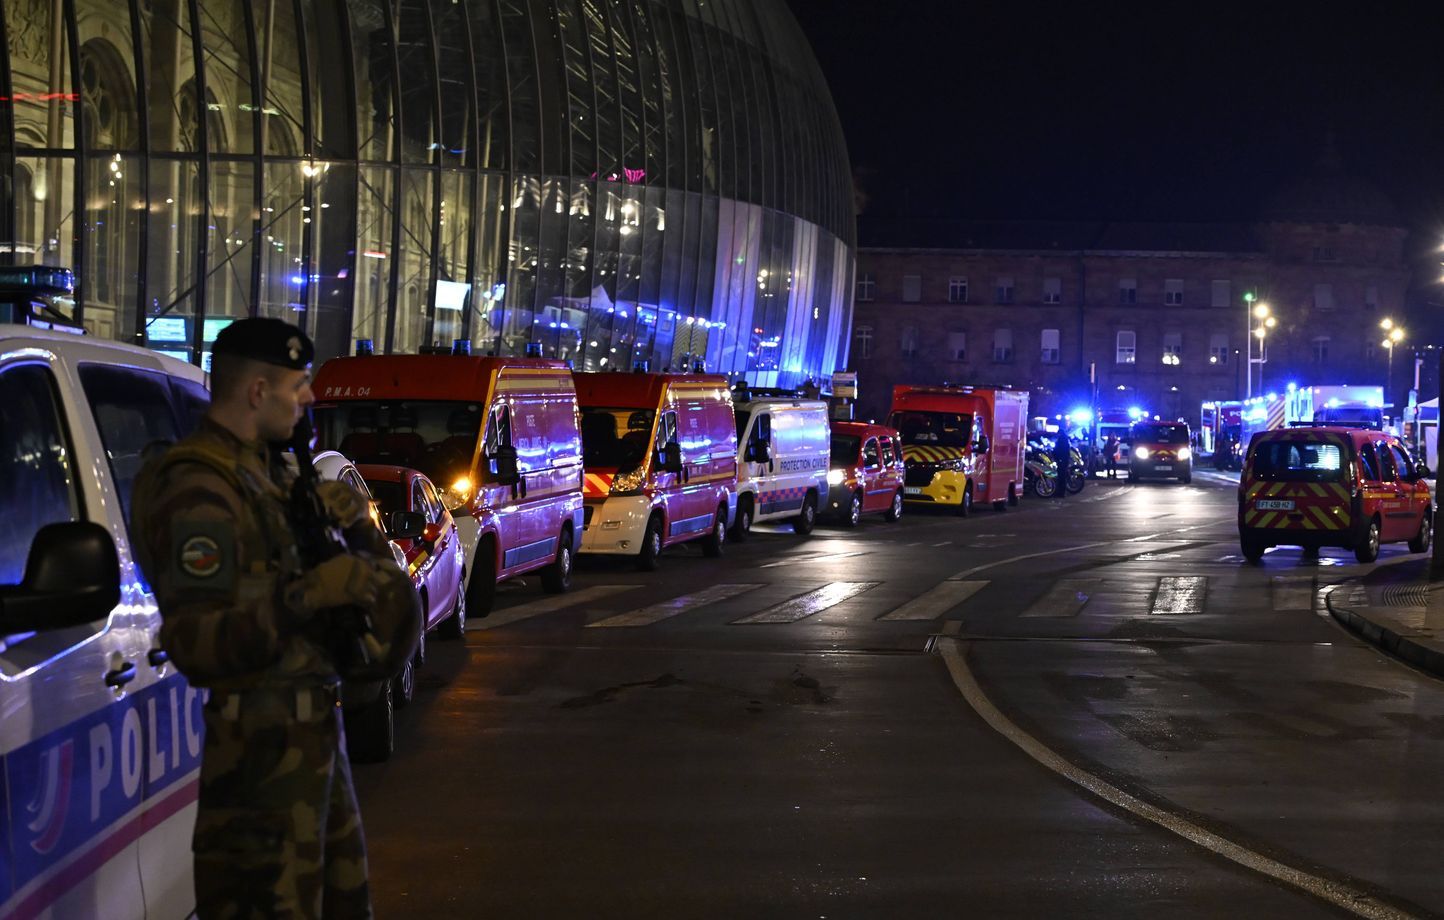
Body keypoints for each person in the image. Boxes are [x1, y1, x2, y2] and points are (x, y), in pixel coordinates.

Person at [130, 317, 409, 919]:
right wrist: (309, 595)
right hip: (257, 769)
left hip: (312, 748)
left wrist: (357, 528)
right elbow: (197, 642)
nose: (309, 398)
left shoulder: (272, 477)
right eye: (299, 384)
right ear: (258, 392)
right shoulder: (200, 489)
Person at [1053, 430, 1072, 498]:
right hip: (1063, 461)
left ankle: (1061, 493)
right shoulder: (1065, 440)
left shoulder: (1061, 441)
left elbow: (1059, 450)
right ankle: (1061, 492)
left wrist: (1058, 458)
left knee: (1061, 477)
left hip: (1062, 461)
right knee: (1062, 477)